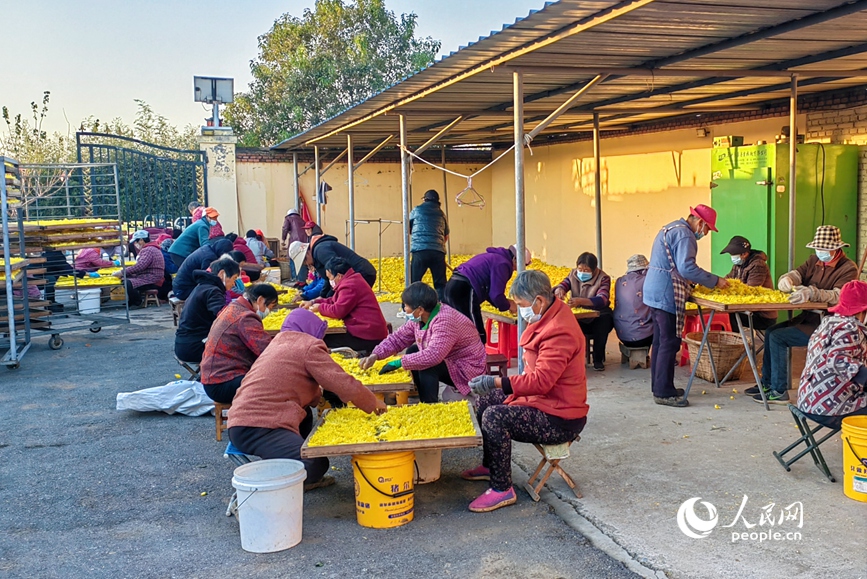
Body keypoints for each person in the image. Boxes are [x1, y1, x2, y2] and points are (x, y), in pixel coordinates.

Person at [461, 270, 588, 513]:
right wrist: (494, 386)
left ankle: (502, 489)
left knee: (494, 416)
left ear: (539, 301)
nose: (520, 310)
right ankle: (491, 465)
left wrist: (497, 382)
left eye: (521, 305)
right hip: (542, 400)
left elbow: (540, 381)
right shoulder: (547, 316)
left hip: (560, 417)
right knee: (486, 399)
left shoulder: (560, 331)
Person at [228, 308, 386, 490]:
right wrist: (373, 402)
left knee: (305, 415)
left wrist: (319, 396)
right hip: (258, 427)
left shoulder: (277, 343)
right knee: (316, 464)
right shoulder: (308, 346)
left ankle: (287, 456)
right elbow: (343, 382)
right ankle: (279, 483)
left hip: (244, 420)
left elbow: (298, 384)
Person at [750, 225, 858, 404]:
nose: (820, 252)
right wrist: (787, 279)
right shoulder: (814, 260)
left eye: (825, 249)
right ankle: (767, 383)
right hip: (807, 318)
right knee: (770, 333)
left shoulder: (848, 268)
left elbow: (839, 296)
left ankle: (779, 391)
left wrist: (812, 293)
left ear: (836, 248)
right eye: (819, 248)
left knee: (778, 337)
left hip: (827, 325)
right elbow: (797, 274)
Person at [644, 205, 727, 407]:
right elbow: (687, 268)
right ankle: (664, 393)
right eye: (707, 230)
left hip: (653, 289)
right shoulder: (685, 235)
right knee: (670, 342)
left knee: (660, 341)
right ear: (700, 223)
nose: (705, 234)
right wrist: (715, 280)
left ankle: (660, 386)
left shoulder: (671, 227)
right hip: (665, 292)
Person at [359, 282, 486, 403]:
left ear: (420, 309)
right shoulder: (421, 318)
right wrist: (375, 355)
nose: (404, 309)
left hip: (466, 367)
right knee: (413, 351)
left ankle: (430, 405)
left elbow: (433, 355)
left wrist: (399, 362)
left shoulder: (445, 321)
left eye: (406, 306)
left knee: (427, 365)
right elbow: (398, 338)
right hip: (449, 360)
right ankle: (423, 396)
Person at [798, 280, 867, 429]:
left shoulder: (829, 322)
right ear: (862, 310)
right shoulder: (849, 327)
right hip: (828, 409)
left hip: (808, 401)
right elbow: (837, 359)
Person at [200, 284, 277, 403]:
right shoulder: (246, 317)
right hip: (222, 382)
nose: (269, 312)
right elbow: (266, 350)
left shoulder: (235, 307)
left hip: (213, 379)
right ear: (260, 300)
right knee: (278, 386)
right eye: (271, 306)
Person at [443, 245, 530, 344]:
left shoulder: (494, 257)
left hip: (453, 285)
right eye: (520, 265)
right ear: (515, 259)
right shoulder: (503, 264)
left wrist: (504, 304)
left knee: (456, 329)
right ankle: (478, 357)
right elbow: (496, 294)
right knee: (476, 333)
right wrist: (508, 305)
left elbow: (489, 292)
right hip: (465, 289)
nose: (515, 270)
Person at [302, 257, 389, 354]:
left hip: (368, 335)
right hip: (366, 330)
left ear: (339, 276)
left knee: (322, 340)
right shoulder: (351, 280)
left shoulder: (350, 286)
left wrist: (320, 308)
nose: (330, 281)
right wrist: (313, 302)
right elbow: (334, 300)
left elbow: (338, 311)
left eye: (330, 277)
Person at [554, 252, 613, 371]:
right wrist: (559, 289)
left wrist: (581, 301)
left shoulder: (603, 278)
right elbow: (563, 284)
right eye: (580, 269)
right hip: (580, 315)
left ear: (594, 269)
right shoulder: (573, 274)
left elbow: (602, 299)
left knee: (603, 323)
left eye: (586, 270)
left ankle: (598, 359)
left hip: (598, 315)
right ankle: (572, 358)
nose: (582, 273)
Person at [174, 257, 240, 364]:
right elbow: (224, 316)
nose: (234, 284)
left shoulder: (203, 287)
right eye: (234, 278)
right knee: (241, 352)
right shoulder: (212, 291)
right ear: (222, 273)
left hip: (185, 344)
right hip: (194, 347)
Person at [289, 234, 377, 299]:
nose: (307, 265)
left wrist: (328, 297)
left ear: (306, 254)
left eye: (305, 262)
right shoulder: (317, 253)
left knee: (351, 303)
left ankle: (377, 322)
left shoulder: (320, 251)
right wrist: (323, 297)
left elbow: (337, 272)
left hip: (362, 273)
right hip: (358, 274)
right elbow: (328, 278)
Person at [719, 235, 777, 331]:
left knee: (728, 316)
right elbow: (727, 280)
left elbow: (750, 291)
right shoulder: (738, 265)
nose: (732, 257)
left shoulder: (758, 265)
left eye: (734, 254)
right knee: (719, 313)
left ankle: (736, 344)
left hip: (761, 315)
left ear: (745, 254)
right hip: (745, 310)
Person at [409, 189, 450, 299]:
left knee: (414, 282)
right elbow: (446, 236)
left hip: (420, 251)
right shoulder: (442, 214)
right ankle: (443, 308)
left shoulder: (416, 210)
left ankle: (411, 309)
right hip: (438, 252)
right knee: (440, 284)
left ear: (424, 199)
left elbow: (408, 229)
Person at [113, 230, 165, 307]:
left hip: (152, 278)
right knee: (127, 278)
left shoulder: (148, 250)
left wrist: (122, 272)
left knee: (128, 282)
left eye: (136, 242)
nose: (135, 244)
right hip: (151, 276)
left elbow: (140, 266)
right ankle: (131, 301)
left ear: (141, 240)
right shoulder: (152, 248)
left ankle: (136, 302)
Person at [613, 254, 653, 349]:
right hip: (643, 337)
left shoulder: (619, 281)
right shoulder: (647, 281)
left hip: (622, 335)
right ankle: (665, 358)